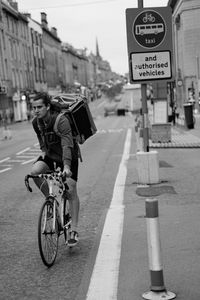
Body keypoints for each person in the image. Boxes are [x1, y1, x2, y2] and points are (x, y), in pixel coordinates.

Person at [31, 92, 80, 247]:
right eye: (34, 108)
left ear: (47, 106)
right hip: (51, 155)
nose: (36, 110)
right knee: (35, 171)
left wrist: (66, 167)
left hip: (68, 155)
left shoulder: (61, 120)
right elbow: (41, 141)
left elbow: (67, 145)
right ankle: (51, 201)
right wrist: (43, 154)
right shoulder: (36, 122)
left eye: (39, 107)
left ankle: (74, 230)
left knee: (71, 189)